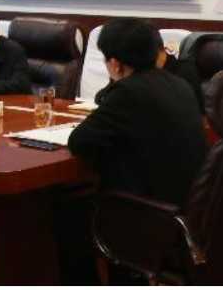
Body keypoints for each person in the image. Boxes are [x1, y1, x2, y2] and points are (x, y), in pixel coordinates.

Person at [68, 18, 208, 206]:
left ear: (115, 64)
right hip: (187, 205)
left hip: (146, 209)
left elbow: (78, 141)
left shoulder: (128, 91)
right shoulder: (179, 84)